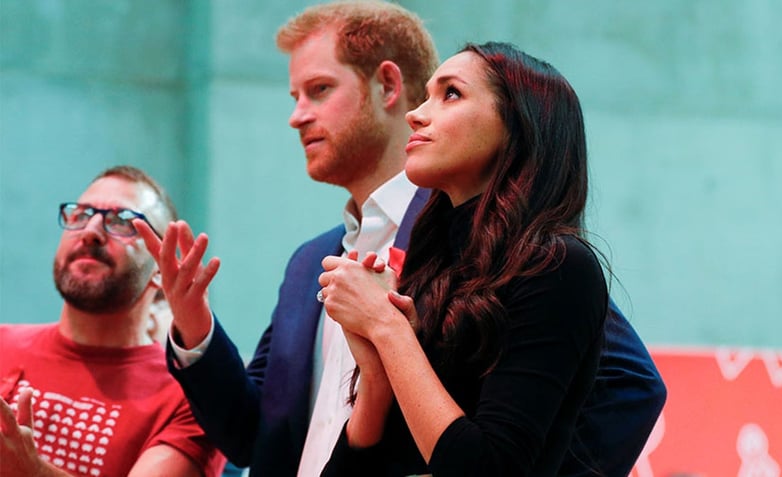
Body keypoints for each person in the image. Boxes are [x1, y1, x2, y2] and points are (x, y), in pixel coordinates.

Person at [136, 2, 665, 476]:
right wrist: (195, 327)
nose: (297, 115)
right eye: (295, 95)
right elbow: (255, 435)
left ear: (387, 86)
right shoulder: (311, 262)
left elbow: (625, 386)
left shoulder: (506, 244)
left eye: (319, 90)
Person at [317, 39, 614, 476]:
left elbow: (487, 467)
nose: (416, 114)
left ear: (517, 125)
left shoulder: (558, 266)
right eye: (425, 96)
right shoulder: (431, 265)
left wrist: (387, 327)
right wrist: (377, 372)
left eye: (451, 93)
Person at [0, 166, 225, 477]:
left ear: (162, 269)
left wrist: (34, 473)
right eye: (79, 215)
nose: (90, 231)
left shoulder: (191, 398)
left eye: (122, 222)